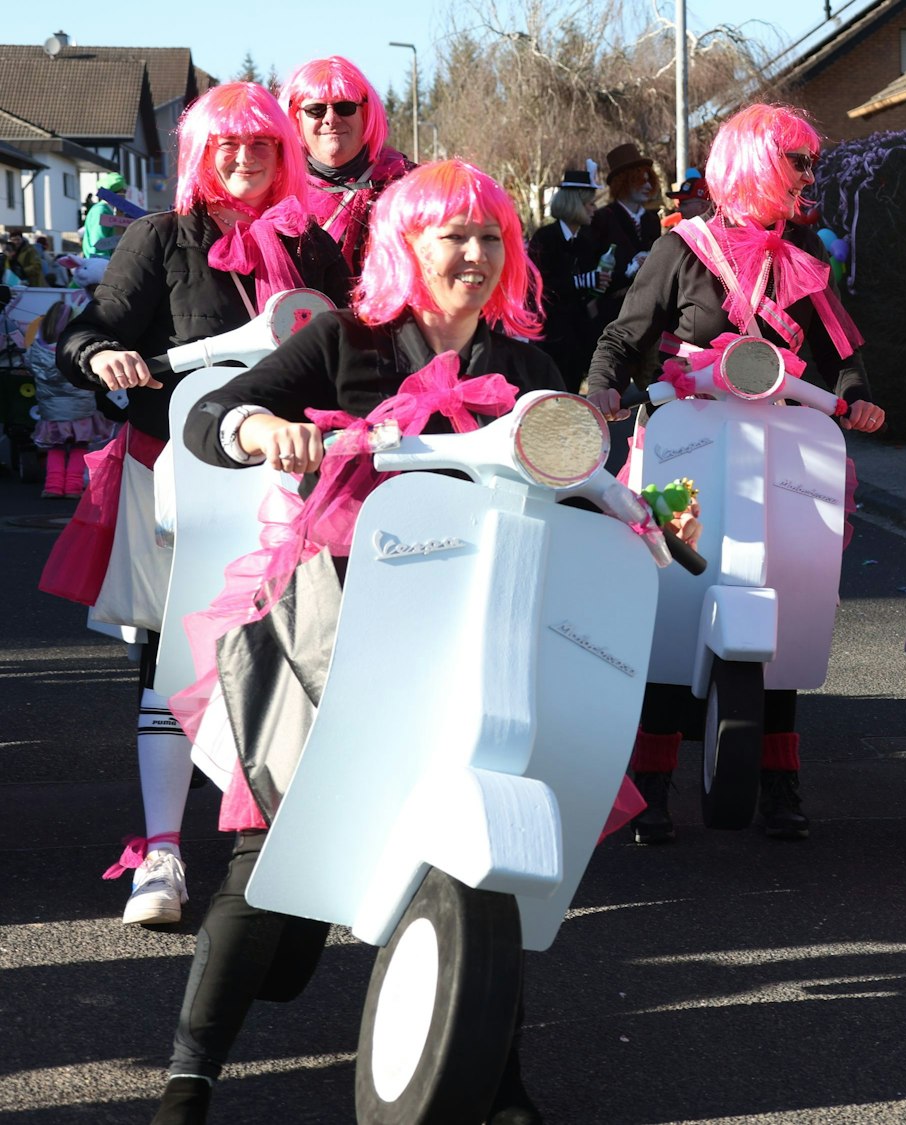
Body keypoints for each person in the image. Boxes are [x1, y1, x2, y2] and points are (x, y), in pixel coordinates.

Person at [144, 157, 608, 1125]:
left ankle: (497, 1078)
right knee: (266, 861)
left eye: (490, 238)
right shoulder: (343, 341)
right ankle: (190, 1079)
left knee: (490, 855)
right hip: (336, 627)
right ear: (410, 244)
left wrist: (640, 513)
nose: (475, 255)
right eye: (454, 237)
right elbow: (214, 420)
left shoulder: (523, 365)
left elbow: (580, 471)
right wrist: (262, 429)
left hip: (479, 631)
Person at [40, 81, 349, 927]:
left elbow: (349, 349)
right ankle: (164, 850)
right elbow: (84, 331)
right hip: (172, 474)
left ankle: (297, 843)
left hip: (284, 483)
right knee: (171, 658)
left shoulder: (313, 246)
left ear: (285, 154)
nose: (245, 159)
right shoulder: (162, 238)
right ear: (200, 155)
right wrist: (104, 355)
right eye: (227, 145)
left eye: (261, 145)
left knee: (297, 651)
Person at [582, 103, 886, 843]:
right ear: (754, 163)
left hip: (782, 448)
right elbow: (624, 336)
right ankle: (649, 788)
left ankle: (780, 782)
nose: (809, 178)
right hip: (686, 445)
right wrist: (599, 395)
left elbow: (844, 353)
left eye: (811, 163)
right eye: (799, 162)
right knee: (671, 595)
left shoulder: (805, 246)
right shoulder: (681, 248)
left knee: (785, 605)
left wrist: (857, 398)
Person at [281, 55, 414, 275]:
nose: (331, 118)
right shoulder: (277, 192)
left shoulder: (409, 187)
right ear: (296, 117)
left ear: (366, 113)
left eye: (344, 107)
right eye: (315, 109)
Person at [526, 166, 609, 390]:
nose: (594, 209)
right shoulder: (545, 238)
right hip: (551, 335)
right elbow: (540, 285)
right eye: (589, 203)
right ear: (576, 204)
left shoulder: (587, 240)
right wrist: (584, 281)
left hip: (579, 335)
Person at [27, 292, 113, 497]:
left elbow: (30, 367)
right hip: (81, 410)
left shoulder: (36, 350)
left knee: (55, 448)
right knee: (79, 447)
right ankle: (74, 487)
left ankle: (53, 486)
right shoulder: (74, 351)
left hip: (51, 413)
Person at [589, 142, 663, 336]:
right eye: (640, 180)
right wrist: (628, 270)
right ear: (623, 182)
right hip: (613, 315)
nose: (647, 186)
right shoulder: (602, 218)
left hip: (648, 312)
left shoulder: (652, 220)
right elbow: (594, 269)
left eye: (649, 180)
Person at [81, 173, 133, 258]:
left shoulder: (111, 210)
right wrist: (104, 262)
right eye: (123, 191)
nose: (125, 195)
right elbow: (98, 241)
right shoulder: (100, 210)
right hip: (98, 263)